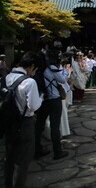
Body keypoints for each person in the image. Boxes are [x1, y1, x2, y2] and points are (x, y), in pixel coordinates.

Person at [4, 51, 43, 188]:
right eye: (35, 69)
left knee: (10, 157)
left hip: (8, 122)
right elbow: (33, 106)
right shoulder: (29, 82)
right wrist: (41, 98)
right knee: (23, 159)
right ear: (31, 66)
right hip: (24, 123)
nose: (34, 72)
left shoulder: (7, 77)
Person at [35, 50, 69, 160]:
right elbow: (62, 80)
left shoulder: (38, 70)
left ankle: (37, 149)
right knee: (55, 126)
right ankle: (57, 151)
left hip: (43, 100)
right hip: (54, 99)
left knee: (39, 125)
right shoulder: (51, 68)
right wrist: (64, 71)